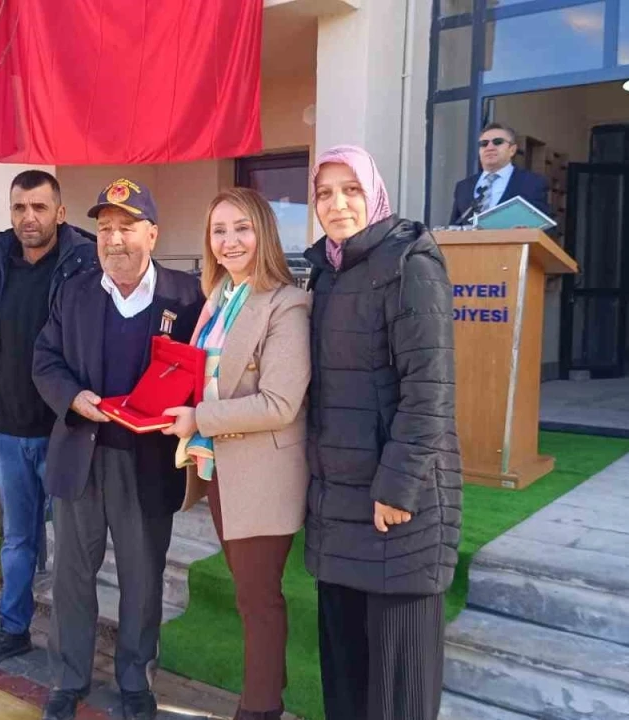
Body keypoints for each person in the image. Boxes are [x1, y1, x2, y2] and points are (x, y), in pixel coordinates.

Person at [32, 178, 204, 720]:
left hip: (147, 463)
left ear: (152, 234)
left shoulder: (186, 296)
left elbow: (205, 371)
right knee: (72, 576)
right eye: (105, 228)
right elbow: (45, 359)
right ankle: (68, 680)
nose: (113, 239)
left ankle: (135, 682)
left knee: (143, 577)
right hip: (81, 456)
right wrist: (72, 397)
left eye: (126, 227)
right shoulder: (75, 290)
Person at [303, 145, 462, 719]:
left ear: (374, 194)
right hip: (337, 506)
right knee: (346, 683)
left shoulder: (410, 265)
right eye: (324, 193)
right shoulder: (327, 271)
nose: (337, 204)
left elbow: (429, 392)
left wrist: (397, 489)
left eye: (351, 190)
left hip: (395, 508)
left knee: (399, 692)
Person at [160, 188, 310, 720]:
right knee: (252, 592)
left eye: (241, 228)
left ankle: (260, 707)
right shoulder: (220, 296)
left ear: (264, 232)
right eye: (219, 230)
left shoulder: (287, 304)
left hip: (262, 473)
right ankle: (269, 682)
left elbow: (280, 404)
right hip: (221, 466)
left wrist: (199, 419)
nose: (230, 241)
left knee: (257, 597)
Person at [0, 170, 98, 670]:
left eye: (39, 207)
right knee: (17, 540)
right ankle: (12, 627)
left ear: (59, 213)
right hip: (7, 431)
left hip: (66, 431)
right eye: (20, 207)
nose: (29, 217)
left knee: (73, 548)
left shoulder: (84, 264)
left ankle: (70, 642)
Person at [449, 122, 551, 226]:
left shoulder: (533, 183)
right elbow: (454, 227)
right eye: (484, 143)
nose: (490, 148)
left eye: (497, 142)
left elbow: (545, 227)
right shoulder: (463, 187)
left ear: (512, 150)